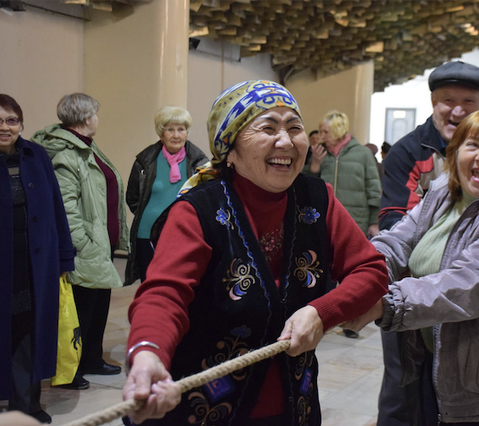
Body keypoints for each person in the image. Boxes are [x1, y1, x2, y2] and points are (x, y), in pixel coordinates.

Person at [122, 80, 389, 426]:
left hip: (293, 405)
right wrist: (147, 353)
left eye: (294, 127)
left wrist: (321, 312)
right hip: (204, 408)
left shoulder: (316, 198)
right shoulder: (199, 210)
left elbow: (371, 270)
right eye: (268, 127)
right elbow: (164, 294)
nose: (286, 140)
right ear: (229, 149)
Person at [345, 109, 479, 426]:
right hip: (436, 355)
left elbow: (468, 285)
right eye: (472, 144)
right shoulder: (443, 194)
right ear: (456, 152)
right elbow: (398, 241)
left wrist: (386, 303)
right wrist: (362, 277)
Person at [376, 61, 479, 426]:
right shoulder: (409, 151)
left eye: (468, 101)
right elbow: (394, 220)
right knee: (402, 386)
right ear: (432, 101)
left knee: (458, 384)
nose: (457, 111)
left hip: (469, 295)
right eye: (447, 100)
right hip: (411, 289)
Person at [32, 93, 129, 389]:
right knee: (80, 313)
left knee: (98, 307)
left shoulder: (87, 147)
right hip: (85, 248)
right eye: (96, 115)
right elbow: (66, 207)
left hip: (100, 245)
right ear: (87, 118)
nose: (97, 119)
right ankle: (69, 371)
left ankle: (91, 360)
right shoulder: (66, 153)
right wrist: (84, 244)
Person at [0, 94, 75, 424]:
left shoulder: (37, 155)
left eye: (11, 120)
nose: (4, 127)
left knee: (31, 331)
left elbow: (57, 207)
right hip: (3, 267)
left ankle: (27, 403)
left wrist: (64, 259)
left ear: (21, 124)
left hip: (35, 266)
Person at [124, 106, 208, 285]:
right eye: (170, 129)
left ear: (187, 132)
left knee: (181, 287)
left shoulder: (200, 163)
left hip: (184, 236)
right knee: (150, 287)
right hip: (147, 236)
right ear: (161, 134)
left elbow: (206, 200)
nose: (176, 135)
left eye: (181, 129)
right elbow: (132, 198)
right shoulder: (145, 161)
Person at [309, 110, 381, 238]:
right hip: (324, 220)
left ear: (338, 131)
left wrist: (373, 222)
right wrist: (314, 166)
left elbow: (374, 190)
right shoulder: (319, 153)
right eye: (321, 132)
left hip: (356, 221)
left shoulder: (363, 153)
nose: (322, 136)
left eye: (326, 132)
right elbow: (307, 187)